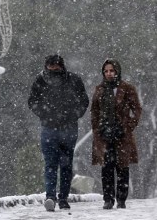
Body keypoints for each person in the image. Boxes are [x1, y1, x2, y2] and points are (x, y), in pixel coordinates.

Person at [28, 55, 89, 211]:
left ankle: (62, 197)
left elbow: (84, 101)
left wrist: (73, 115)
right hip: (50, 128)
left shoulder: (74, 80)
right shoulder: (40, 81)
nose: (54, 69)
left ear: (61, 66)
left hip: (67, 128)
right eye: (51, 66)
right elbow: (32, 101)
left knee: (64, 165)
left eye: (56, 66)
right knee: (53, 164)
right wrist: (45, 114)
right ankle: (51, 196)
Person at [91, 58, 142, 209]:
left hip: (122, 135)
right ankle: (108, 199)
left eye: (111, 70)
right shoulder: (99, 89)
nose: (109, 74)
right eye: (106, 71)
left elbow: (137, 110)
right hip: (104, 135)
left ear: (117, 71)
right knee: (106, 167)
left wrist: (128, 126)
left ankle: (121, 200)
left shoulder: (127, 88)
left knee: (122, 167)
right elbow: (94, 111)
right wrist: (98, 128)